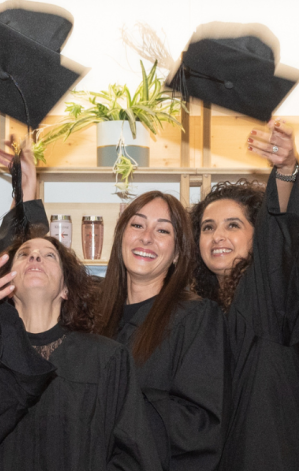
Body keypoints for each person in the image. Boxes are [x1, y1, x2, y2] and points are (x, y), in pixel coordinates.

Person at [0, 143, 162, 471]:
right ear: (6, 285)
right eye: (25, 254)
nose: (35, 257)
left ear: (65, 288)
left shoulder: (106, 359)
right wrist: (25, 197)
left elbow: (133, 455)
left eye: (49, 256)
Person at [191, 121, 299, 471]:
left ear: (257, 236)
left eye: (233, 225)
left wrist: (285, 171)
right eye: (208, 227)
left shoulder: (273, 296)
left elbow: (281, 233)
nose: (218, 235)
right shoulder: (197, 315)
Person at [91, 190, 224, 471]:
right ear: (121, 238)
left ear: (177, 252)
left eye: (162, 230)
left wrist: (118, 401)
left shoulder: (195, 317)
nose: (146, 237)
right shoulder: (91, 315)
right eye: (137, 225)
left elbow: (199, 423)